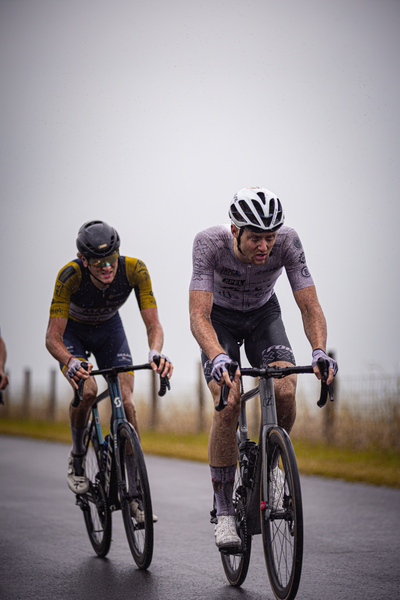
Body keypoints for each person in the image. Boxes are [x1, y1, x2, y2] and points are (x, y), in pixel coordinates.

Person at [189, 187, 337, 549]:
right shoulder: (209, 243)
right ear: (235, 230)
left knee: (285, 389)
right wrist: (217, 355)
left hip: (262, 317)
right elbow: (198, 315)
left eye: (269, 238)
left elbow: (310, 306)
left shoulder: (288, 241)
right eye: (255, 237)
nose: (264, 247)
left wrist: (318, 350)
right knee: (228, 401)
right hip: (218, 321)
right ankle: (224, 512)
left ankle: (268, 469)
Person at [46, 220, 173, 521]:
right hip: (73, 336)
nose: (107, 267)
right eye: (98, 262)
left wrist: (155, 351)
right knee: (88, 390)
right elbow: (52, 337)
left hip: (109, 332)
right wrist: (70, 361)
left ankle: (134, 493)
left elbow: (153, 324)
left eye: (112, 259)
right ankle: (78, 454)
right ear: (83, 261)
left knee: (127, 403)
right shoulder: (69, 276)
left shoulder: (135, 270)